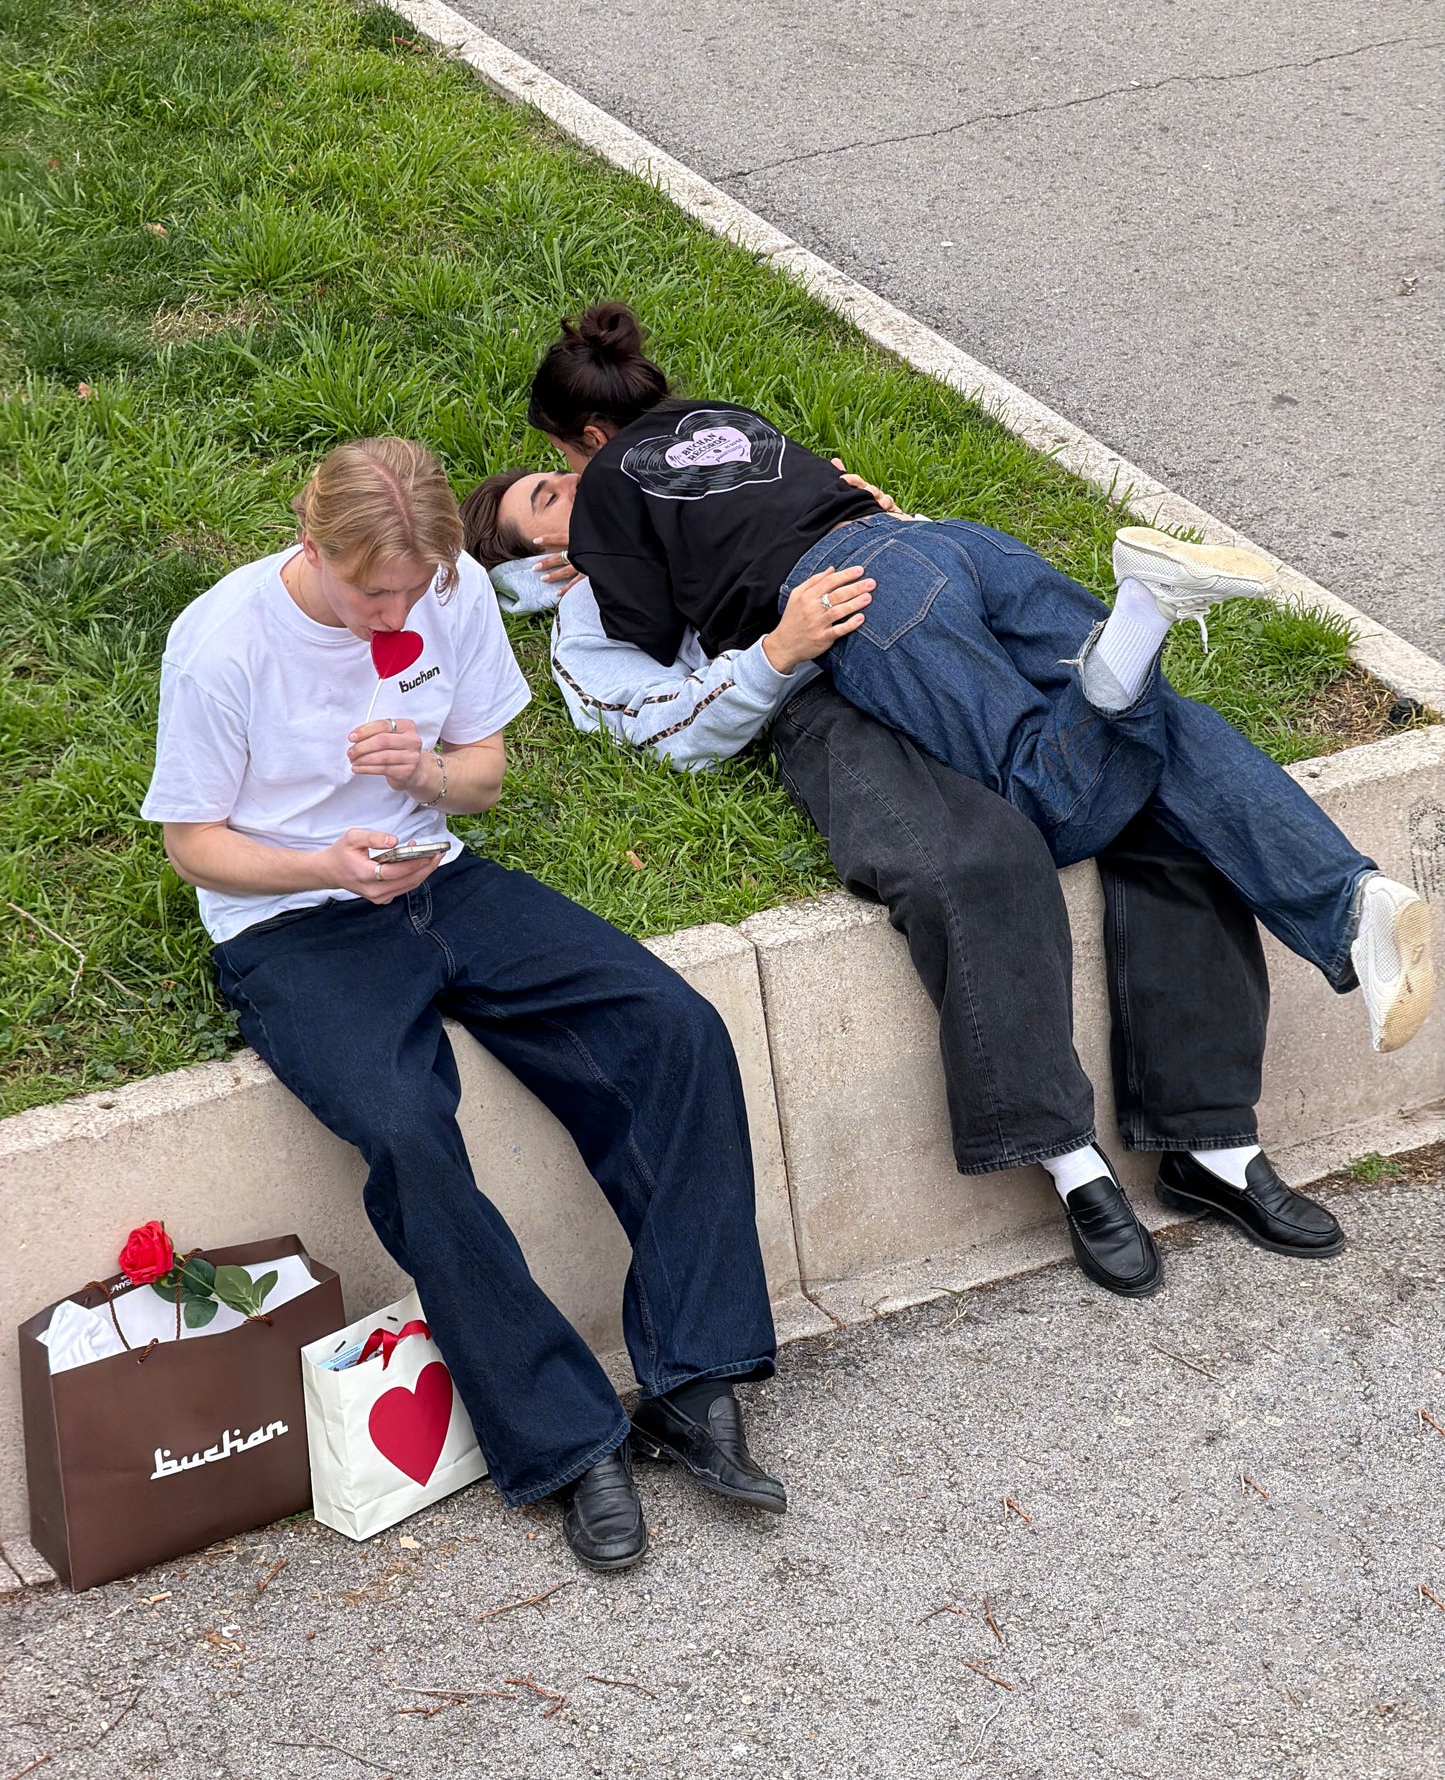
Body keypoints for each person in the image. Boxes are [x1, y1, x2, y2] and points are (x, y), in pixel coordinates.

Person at [139, 437, 787, 1575]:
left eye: (414, 586)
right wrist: (324, 864)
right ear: (311, 541)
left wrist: (426, 776)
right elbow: (193, 845)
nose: (395, 612)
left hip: (439, 873)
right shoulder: (222, 643)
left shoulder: (447, 590)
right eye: (370, 593)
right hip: (293, 922)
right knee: (404, 1128)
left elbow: (482, 773)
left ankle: (695, 1379)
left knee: (674, 1027)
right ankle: (565, 1437)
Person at [462, 469, 1332, 1289]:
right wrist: (774, 651)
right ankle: (1070, 1161)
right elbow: (659, 731)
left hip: (928, 651)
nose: (576, 484)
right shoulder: (589, 615)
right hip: (822, 705)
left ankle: (1208, 1144)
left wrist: (863, 517)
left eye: (562, 474)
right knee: (971, 860)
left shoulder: (704, 494)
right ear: (535, 562)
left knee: (1153, 800)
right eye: (547, 497)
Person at [514, 302, 1433, 1073]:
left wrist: (589, 558)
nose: (569, 481)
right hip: (950, 544)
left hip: (865, 600)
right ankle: (1353, 902)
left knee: (1041, 798)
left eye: (562, 463)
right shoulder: (726, 416)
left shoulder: (611, 484)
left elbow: (645, 628)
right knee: (1163, 726)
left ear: (589, 436)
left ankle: (1141, 617)